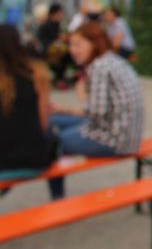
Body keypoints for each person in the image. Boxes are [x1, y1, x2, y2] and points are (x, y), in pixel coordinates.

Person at [47, 22, 145, 199]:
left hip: (115, 140)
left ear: (95, 43)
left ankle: (57, 200)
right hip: (128, 135)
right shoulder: (113, 60)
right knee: (54, 120)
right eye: (71, 44)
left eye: (78, 44)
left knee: (54, 140)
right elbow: (101, 110)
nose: (72, 50)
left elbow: (97, 112)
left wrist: (82, 95)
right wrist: (63, 110)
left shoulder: (99, 67)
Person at [0, 25, 54, 182]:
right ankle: (57, 198)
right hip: (35, 160)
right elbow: (43, 123)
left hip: (4, 165)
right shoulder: (37, 74)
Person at [37, 3, 71, 87]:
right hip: (49, 51)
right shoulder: (45, 26)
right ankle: (59, 78)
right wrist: (54, 43)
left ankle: (61, 78)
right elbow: (42, 41)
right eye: (59, 14)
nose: (61, 16)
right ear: (53, 14)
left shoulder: (61, 25)